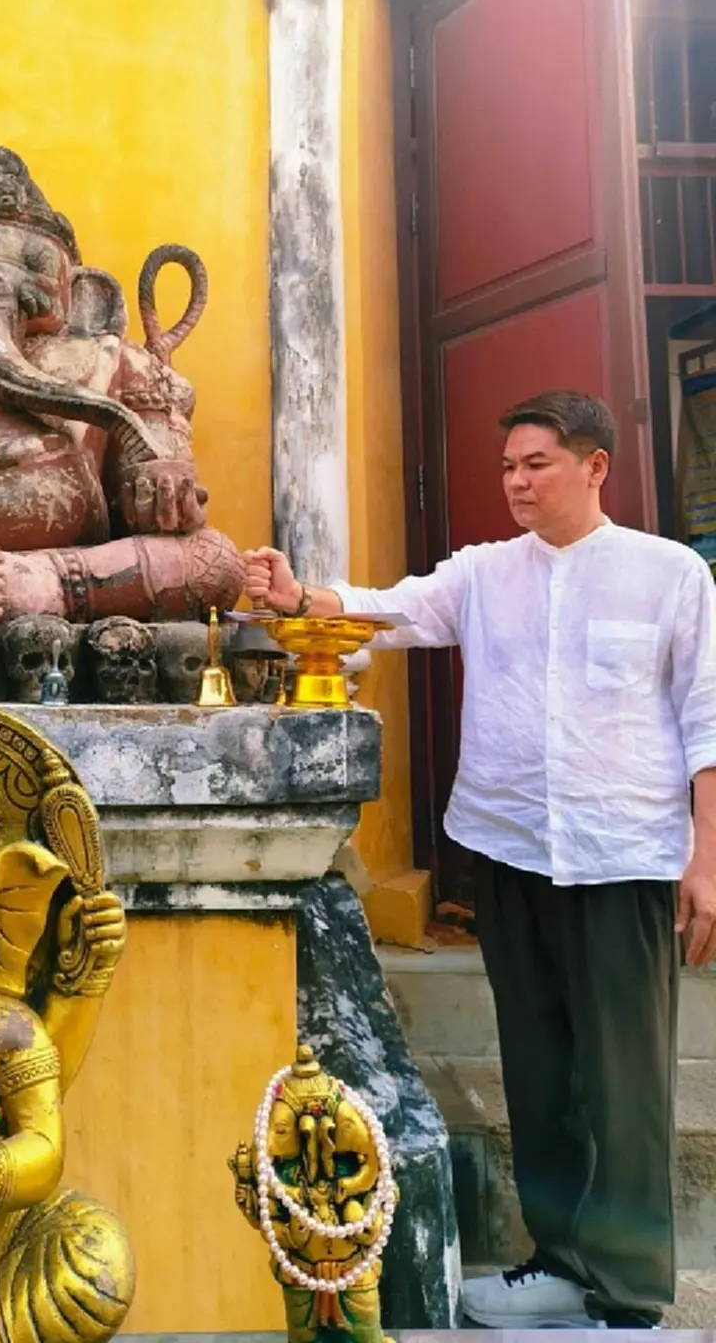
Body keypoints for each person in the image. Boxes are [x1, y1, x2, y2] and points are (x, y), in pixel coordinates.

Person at [244, 390, 716, 1331]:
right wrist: (302, 600)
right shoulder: (485, 574)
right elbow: (395, 610)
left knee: (624, 1079)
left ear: (594, 467)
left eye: (536, 464)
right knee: (539, 1072)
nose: (516, 483)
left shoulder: (669, 577)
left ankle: (628, 1295)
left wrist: (708, 857)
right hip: (510, 854)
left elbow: (706, 718)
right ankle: (556, 1261)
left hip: (621, 857)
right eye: (507, 468)